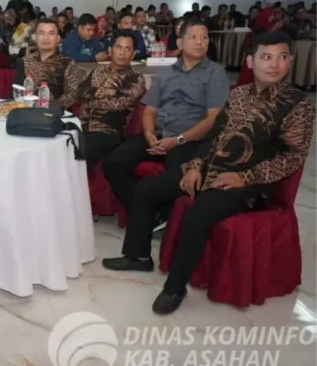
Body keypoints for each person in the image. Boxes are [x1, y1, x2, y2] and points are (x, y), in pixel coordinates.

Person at [111, 31, 315, 314]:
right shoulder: (239, 94)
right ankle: (138, 256)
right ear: (251, 61)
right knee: (147, 189)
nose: (274, 64)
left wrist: (244, 178)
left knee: (199, 211)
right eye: (266, 57)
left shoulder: (298, 104)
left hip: (253, 184)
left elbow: (292, 158)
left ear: (290, 61)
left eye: (281, 57)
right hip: (213, 169)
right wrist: (195, 166)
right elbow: (214, 138)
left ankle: (174, 288)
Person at [101, 18, 229, 231]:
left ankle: (154, 214)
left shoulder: (216, 73)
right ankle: (149, 215)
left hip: (189, 139)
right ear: (179, 43)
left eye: (204, 38)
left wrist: (178, 140)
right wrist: (149, 134)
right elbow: (150, 110)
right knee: (113, 163)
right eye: (193, 37)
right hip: (159, 134)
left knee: (172, 177)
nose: (200, 42)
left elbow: (213, 119)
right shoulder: (167, 73)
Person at [76, 30, 147, 170]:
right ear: (110, 50)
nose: (122, 53)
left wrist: (90, 98)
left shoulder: (136, 78)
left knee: (80, 152)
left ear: (133, 54)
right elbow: (79, 93)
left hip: (108, 132)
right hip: (81, 126)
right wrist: (104, 92)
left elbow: (117, 104)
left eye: (127, 49)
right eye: (118, 47)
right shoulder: (97, 72)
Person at [13, 18, 79, 108]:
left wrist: (48, 105)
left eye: (51, 33)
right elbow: (17, 91)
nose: (46, 38)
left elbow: (72, 95)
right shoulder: (24, 61)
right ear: (35, 38)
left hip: (56, 113)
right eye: (41, 33)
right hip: (27, 111)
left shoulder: (67, 63)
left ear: (58, 38)